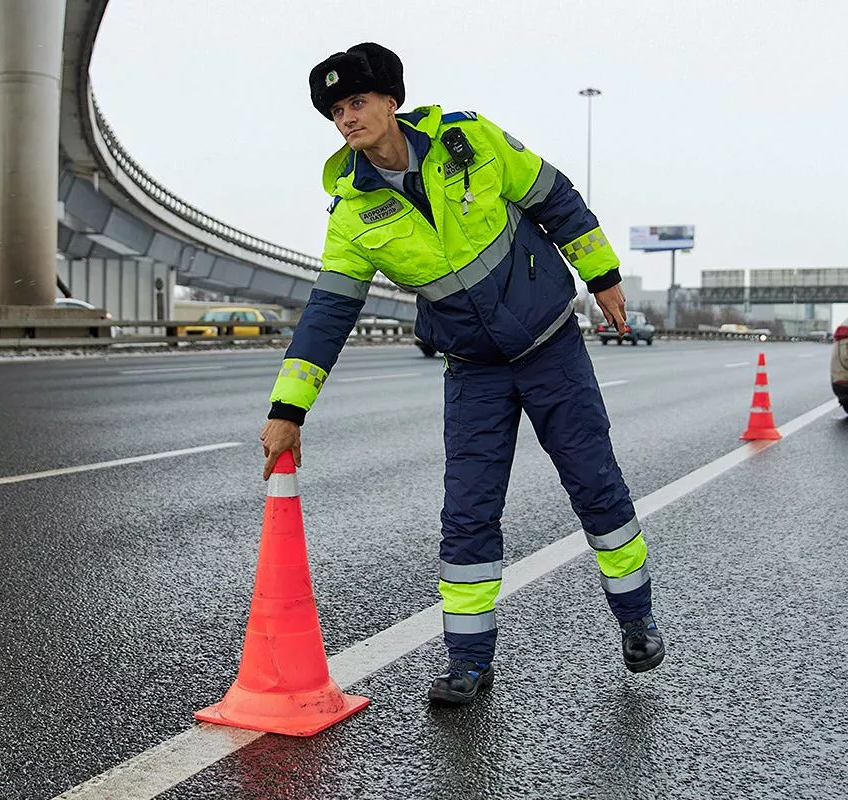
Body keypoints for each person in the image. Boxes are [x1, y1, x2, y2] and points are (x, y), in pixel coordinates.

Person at [259, 42, 663, 705]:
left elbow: (553, 196)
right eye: (336, 111)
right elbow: (327, 316)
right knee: (468, 513)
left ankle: (637, 619)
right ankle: (469, 663)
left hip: (550, 345)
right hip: (474, 371)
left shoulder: (465, 139)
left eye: (358, 102)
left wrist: (604, 275)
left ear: (391, 102)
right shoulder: (354, 213)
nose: (348, 119)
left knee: (595, 486)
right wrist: (288, 409)